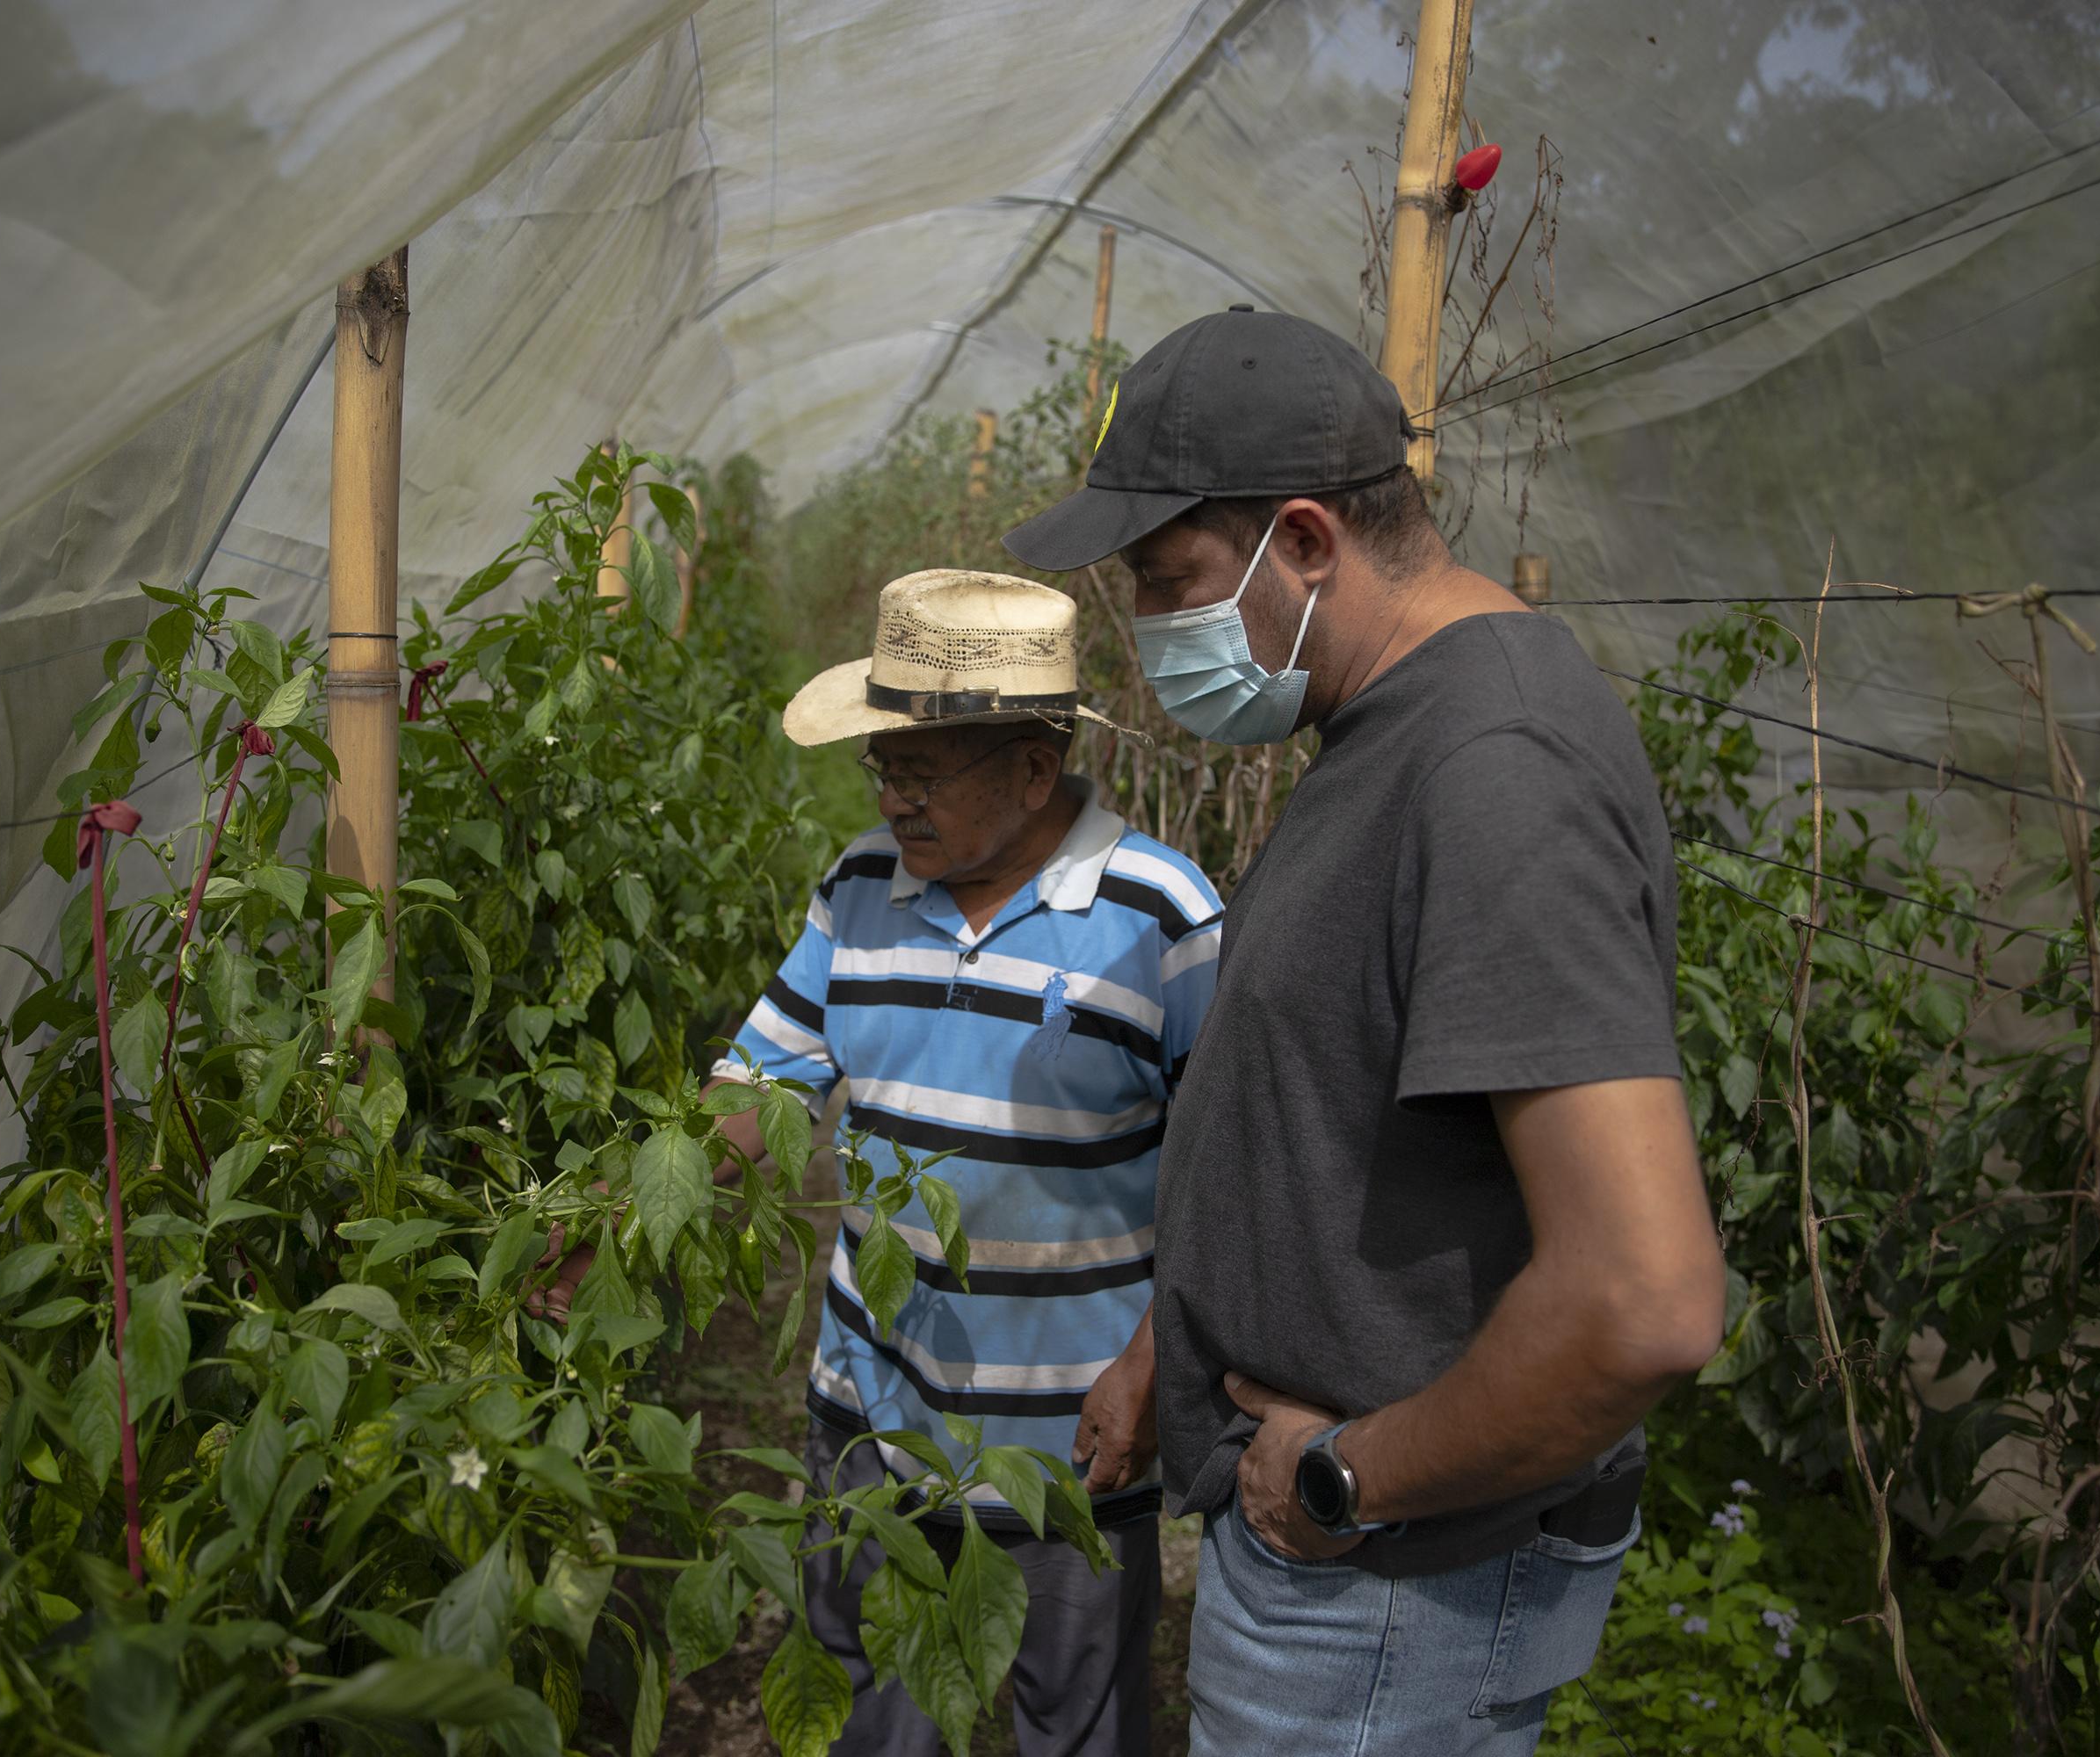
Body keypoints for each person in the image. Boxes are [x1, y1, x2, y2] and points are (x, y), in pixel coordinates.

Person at [1002, 307, 1729, 1754]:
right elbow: (1344, 1107)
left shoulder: (1492, 768)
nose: (1150, 632)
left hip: (1389, 1596)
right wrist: (1180, 1333)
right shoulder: (1392, 726)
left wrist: (1343, 1481)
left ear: (1309, 542)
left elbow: (1648, 1300)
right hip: (1358, 1583)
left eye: (1169, 581)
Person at [537, 569, 1220, 1756]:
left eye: (924, 769)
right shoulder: (860, 887)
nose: (895, 796)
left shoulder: (1163, 919)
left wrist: (1157, 1369)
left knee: (1082, 1721)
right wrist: (615, 1215)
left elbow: (1230, 1174)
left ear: (1032, 767)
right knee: (873, 1711)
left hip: (1076, 1442)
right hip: (872, 1415)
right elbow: (761, 1086)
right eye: (884, 766)